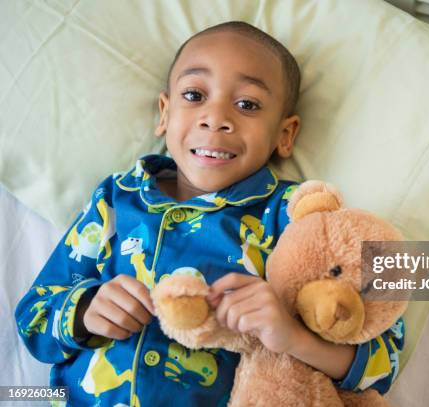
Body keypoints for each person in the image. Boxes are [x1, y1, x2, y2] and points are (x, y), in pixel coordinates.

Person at [15, 21, 404, 406]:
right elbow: (33, 319)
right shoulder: (116, 199)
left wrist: (292, 337)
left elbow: (382, 363)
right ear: (164, 114)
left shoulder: (297, 215)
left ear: (285, 135)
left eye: (247, 104)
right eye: (194, 94)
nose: (215, 117)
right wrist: (84, 311)